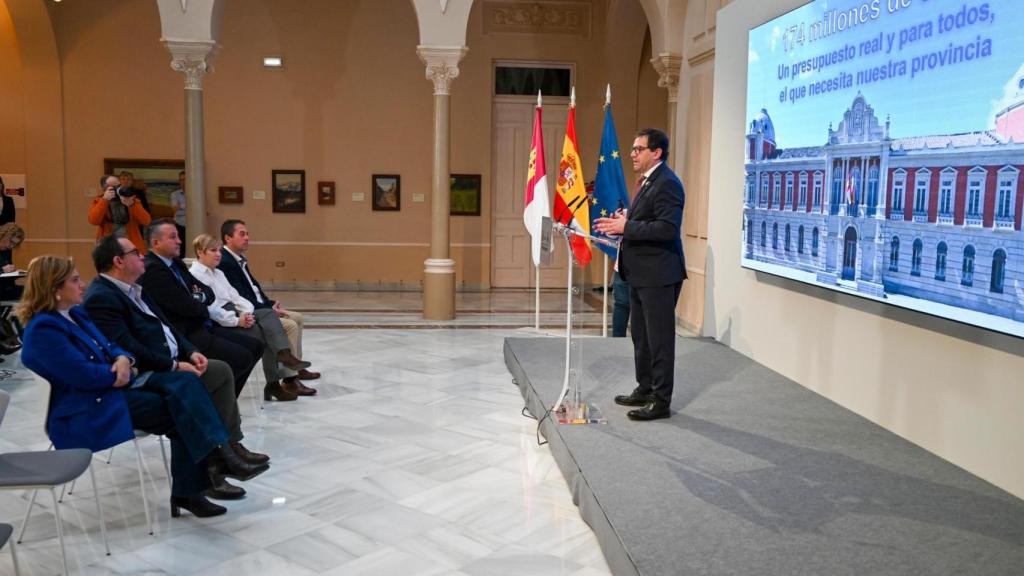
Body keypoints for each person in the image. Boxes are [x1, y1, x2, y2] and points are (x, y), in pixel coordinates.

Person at [18, 255, 267, 518]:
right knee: (181, 408)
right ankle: (206, 473)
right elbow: (81, 374)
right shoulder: (43, 329)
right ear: (55, 289)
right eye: (75, 280)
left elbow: (111, 345)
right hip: (89, 405)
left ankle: (213, 465)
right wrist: (116, 373)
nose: (83, 284)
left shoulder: (75, 314)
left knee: (185, 383)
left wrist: (123, 359)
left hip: (115, 388)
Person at [84, 235, 268, 499]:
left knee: (220, 371)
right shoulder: (102, 298)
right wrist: (174, 364)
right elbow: (130, 348)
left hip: (171, 359)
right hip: (150, 370)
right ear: (118, 261)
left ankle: (229, 445)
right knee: (193, 385)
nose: (141, 256)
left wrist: (190, 351)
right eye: (135, 252)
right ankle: (218, 460)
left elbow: (166, 325)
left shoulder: (136, 287)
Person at [593, 128, 686, 421]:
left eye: (638, 149)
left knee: (660, 340)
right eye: (632, 149)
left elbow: (667, 229)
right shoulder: (647, 182)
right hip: (640, 272)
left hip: (659, 274)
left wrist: (626, 227)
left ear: (656, 153)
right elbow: (647, 220)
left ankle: (661, 401)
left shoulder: (668, 183)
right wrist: (625, 220)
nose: (632, 154)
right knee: (641, 337)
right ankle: (644, 387)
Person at [138, 219, 262, 398]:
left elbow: (206, 292)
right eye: (173, 237)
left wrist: (198, 299)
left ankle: (224, 401)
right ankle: (216, 401)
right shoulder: (153, 269)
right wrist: (200, 302)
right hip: (185, 333)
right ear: (156, 243)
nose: (179, 241)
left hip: (200, 325)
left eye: (178, 236)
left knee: (256, 346)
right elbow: (184, 305)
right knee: (241, 357)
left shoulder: (177, 263)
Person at [189, 233, 313, 401]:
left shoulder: (218, 273)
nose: (218, 254)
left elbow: (236, 297)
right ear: (200, 252)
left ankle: (283, 358)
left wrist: (246, 313)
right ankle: (275, 380)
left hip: (237, 312)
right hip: (222, 321)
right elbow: (211, 309)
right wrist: (236, 320)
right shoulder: (195, 275)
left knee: (268, 315)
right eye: (213, 250)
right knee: (267, 332)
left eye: (219, 250)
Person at [218, 220, 321, 387]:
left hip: (259, 307)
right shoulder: (226, 262)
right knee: (290, 325)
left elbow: (253, 289)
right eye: (242, 234)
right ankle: (289, 379)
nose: (247, 238)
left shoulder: (237, 259)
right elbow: (240, 297)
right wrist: (267, 309)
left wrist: (270, 304)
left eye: (248, 234)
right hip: (247, 312)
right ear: (228, 238)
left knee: (298, 317)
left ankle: (297, 366)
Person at [88, 175, 151, 254]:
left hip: (131, 247)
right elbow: (94, 221)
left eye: (118, 185)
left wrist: (132, 205)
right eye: (113, 187)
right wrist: (104, 200)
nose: (117, 189)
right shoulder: (99, 201)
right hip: (109, 248)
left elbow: (146, 221)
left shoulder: (131, 199)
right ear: (104, 190)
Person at [170, 171, 187, 258]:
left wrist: (182, 206)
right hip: (179, 224)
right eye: (181, 180)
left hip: (193, 225)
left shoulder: (197, 193)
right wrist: (187, 207)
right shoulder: (175, 194)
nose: (183, 182)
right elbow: (175, 209)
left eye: (185, 179)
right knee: (180, 248)